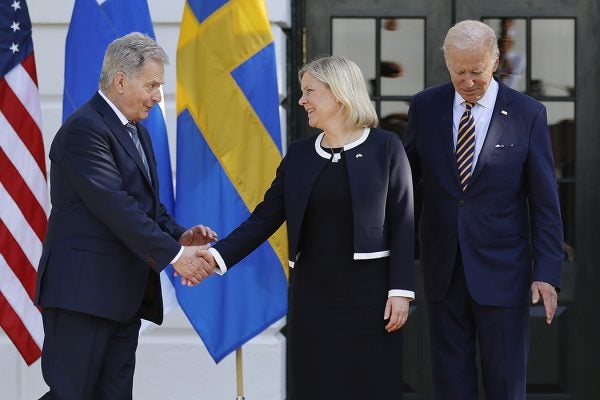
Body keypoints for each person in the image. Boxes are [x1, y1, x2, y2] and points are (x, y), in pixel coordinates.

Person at [197, 55, 415, 399]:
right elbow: (265, 217)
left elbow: (404, 222)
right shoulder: (299, 155)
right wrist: (216, 257)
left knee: (372, 385)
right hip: (312, 296)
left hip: (371, 298)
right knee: (316, 385)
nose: (302, 101)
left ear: (338, 94)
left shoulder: (386, 147)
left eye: (309, 91)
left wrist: (400, 291)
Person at [35, 32, 216, 400]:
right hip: (81, 297)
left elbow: (147, 205)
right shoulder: (85, 130)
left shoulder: (138, 133)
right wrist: (176, 258)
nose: (157, 96)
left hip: (123, 298)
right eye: (151, 84)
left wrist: (179, 236)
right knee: (71, 395)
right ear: (121, 80)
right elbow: (114, 205)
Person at [403, 20, 564, 400]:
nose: (467, 80)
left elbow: (544, 202)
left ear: (495, 63)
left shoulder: (527, 113)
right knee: (450, 383)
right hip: (443, 269)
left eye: (476, 71)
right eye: (458, 71)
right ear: (447, 64)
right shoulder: (425, 107)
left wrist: (547, 272)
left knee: (506, 383)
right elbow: (404, 184)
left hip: (503, 271)